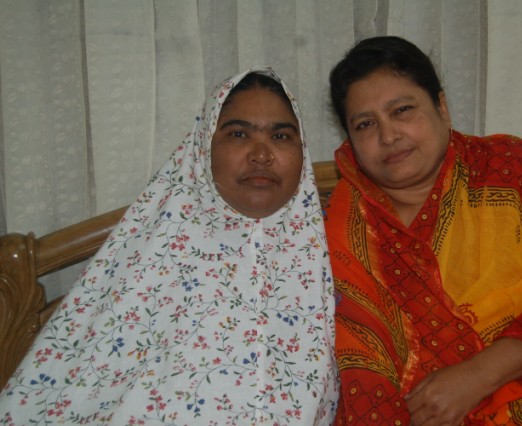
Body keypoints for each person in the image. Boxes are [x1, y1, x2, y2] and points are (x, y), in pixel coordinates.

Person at [324, 36, 522, 425]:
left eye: (402, 110)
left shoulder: (514, 171)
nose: (388, 136)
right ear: (351, 141)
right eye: (365, 124)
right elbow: (358, 354)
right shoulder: (344, 220)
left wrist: (477, 377)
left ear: (441, 106)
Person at [0, 68, 339, 425]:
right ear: (203, 148)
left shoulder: (338, 258)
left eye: (281, 135)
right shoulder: (146, 269)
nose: (261, 154)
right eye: (239, 133)